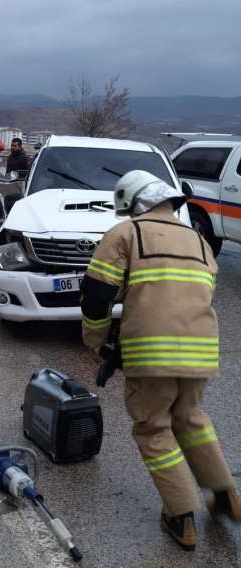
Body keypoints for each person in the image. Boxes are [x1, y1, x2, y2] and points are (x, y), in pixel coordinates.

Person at [81, 170, 241, 551]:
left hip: (152, 353)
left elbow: (96, 296)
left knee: (153, 427)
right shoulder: (199, 242)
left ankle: (180, 514)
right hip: (201, 351)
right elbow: (185, 297)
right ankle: (224, 496)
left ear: (134, 204)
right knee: (190, 418)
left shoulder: (126, 234)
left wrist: (97, 341)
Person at [4, 137, 30, 214]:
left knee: (16, 209)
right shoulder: (10, 156)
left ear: (20, 146)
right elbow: (8, 171)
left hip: (18, 188)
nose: (12, 147)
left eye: (15, 146)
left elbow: (26, 173)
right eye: (12, 145)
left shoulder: (24, 158)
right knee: (7, 205)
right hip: (9, 185)